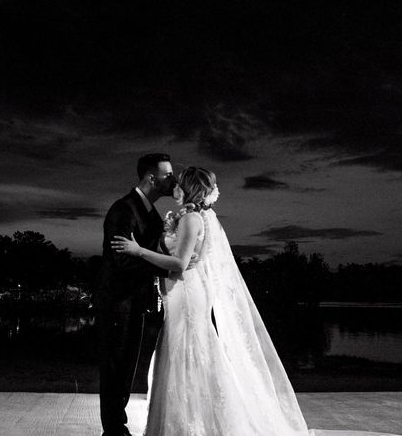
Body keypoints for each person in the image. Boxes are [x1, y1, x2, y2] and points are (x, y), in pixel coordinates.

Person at [111, 166, 311, 436]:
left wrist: (139, 251)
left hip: (187, 293)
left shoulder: (192, 219)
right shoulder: (189, 217)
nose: (174, 186)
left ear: (189, 188)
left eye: (179, 183)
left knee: (188, 349)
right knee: (180, 348)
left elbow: (180, 264)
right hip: (180, 293)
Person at [94, 153, 199, 436]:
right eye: (168, 175)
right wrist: (172, 270)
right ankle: (114, 431)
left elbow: (151, 253)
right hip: (117, 302)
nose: (173, 180)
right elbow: (122, 260)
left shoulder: (151, 215)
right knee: (115, 368)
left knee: (127, 367)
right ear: (152, 178)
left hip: (136, 302)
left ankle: (118, 427)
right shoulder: (123, 210)